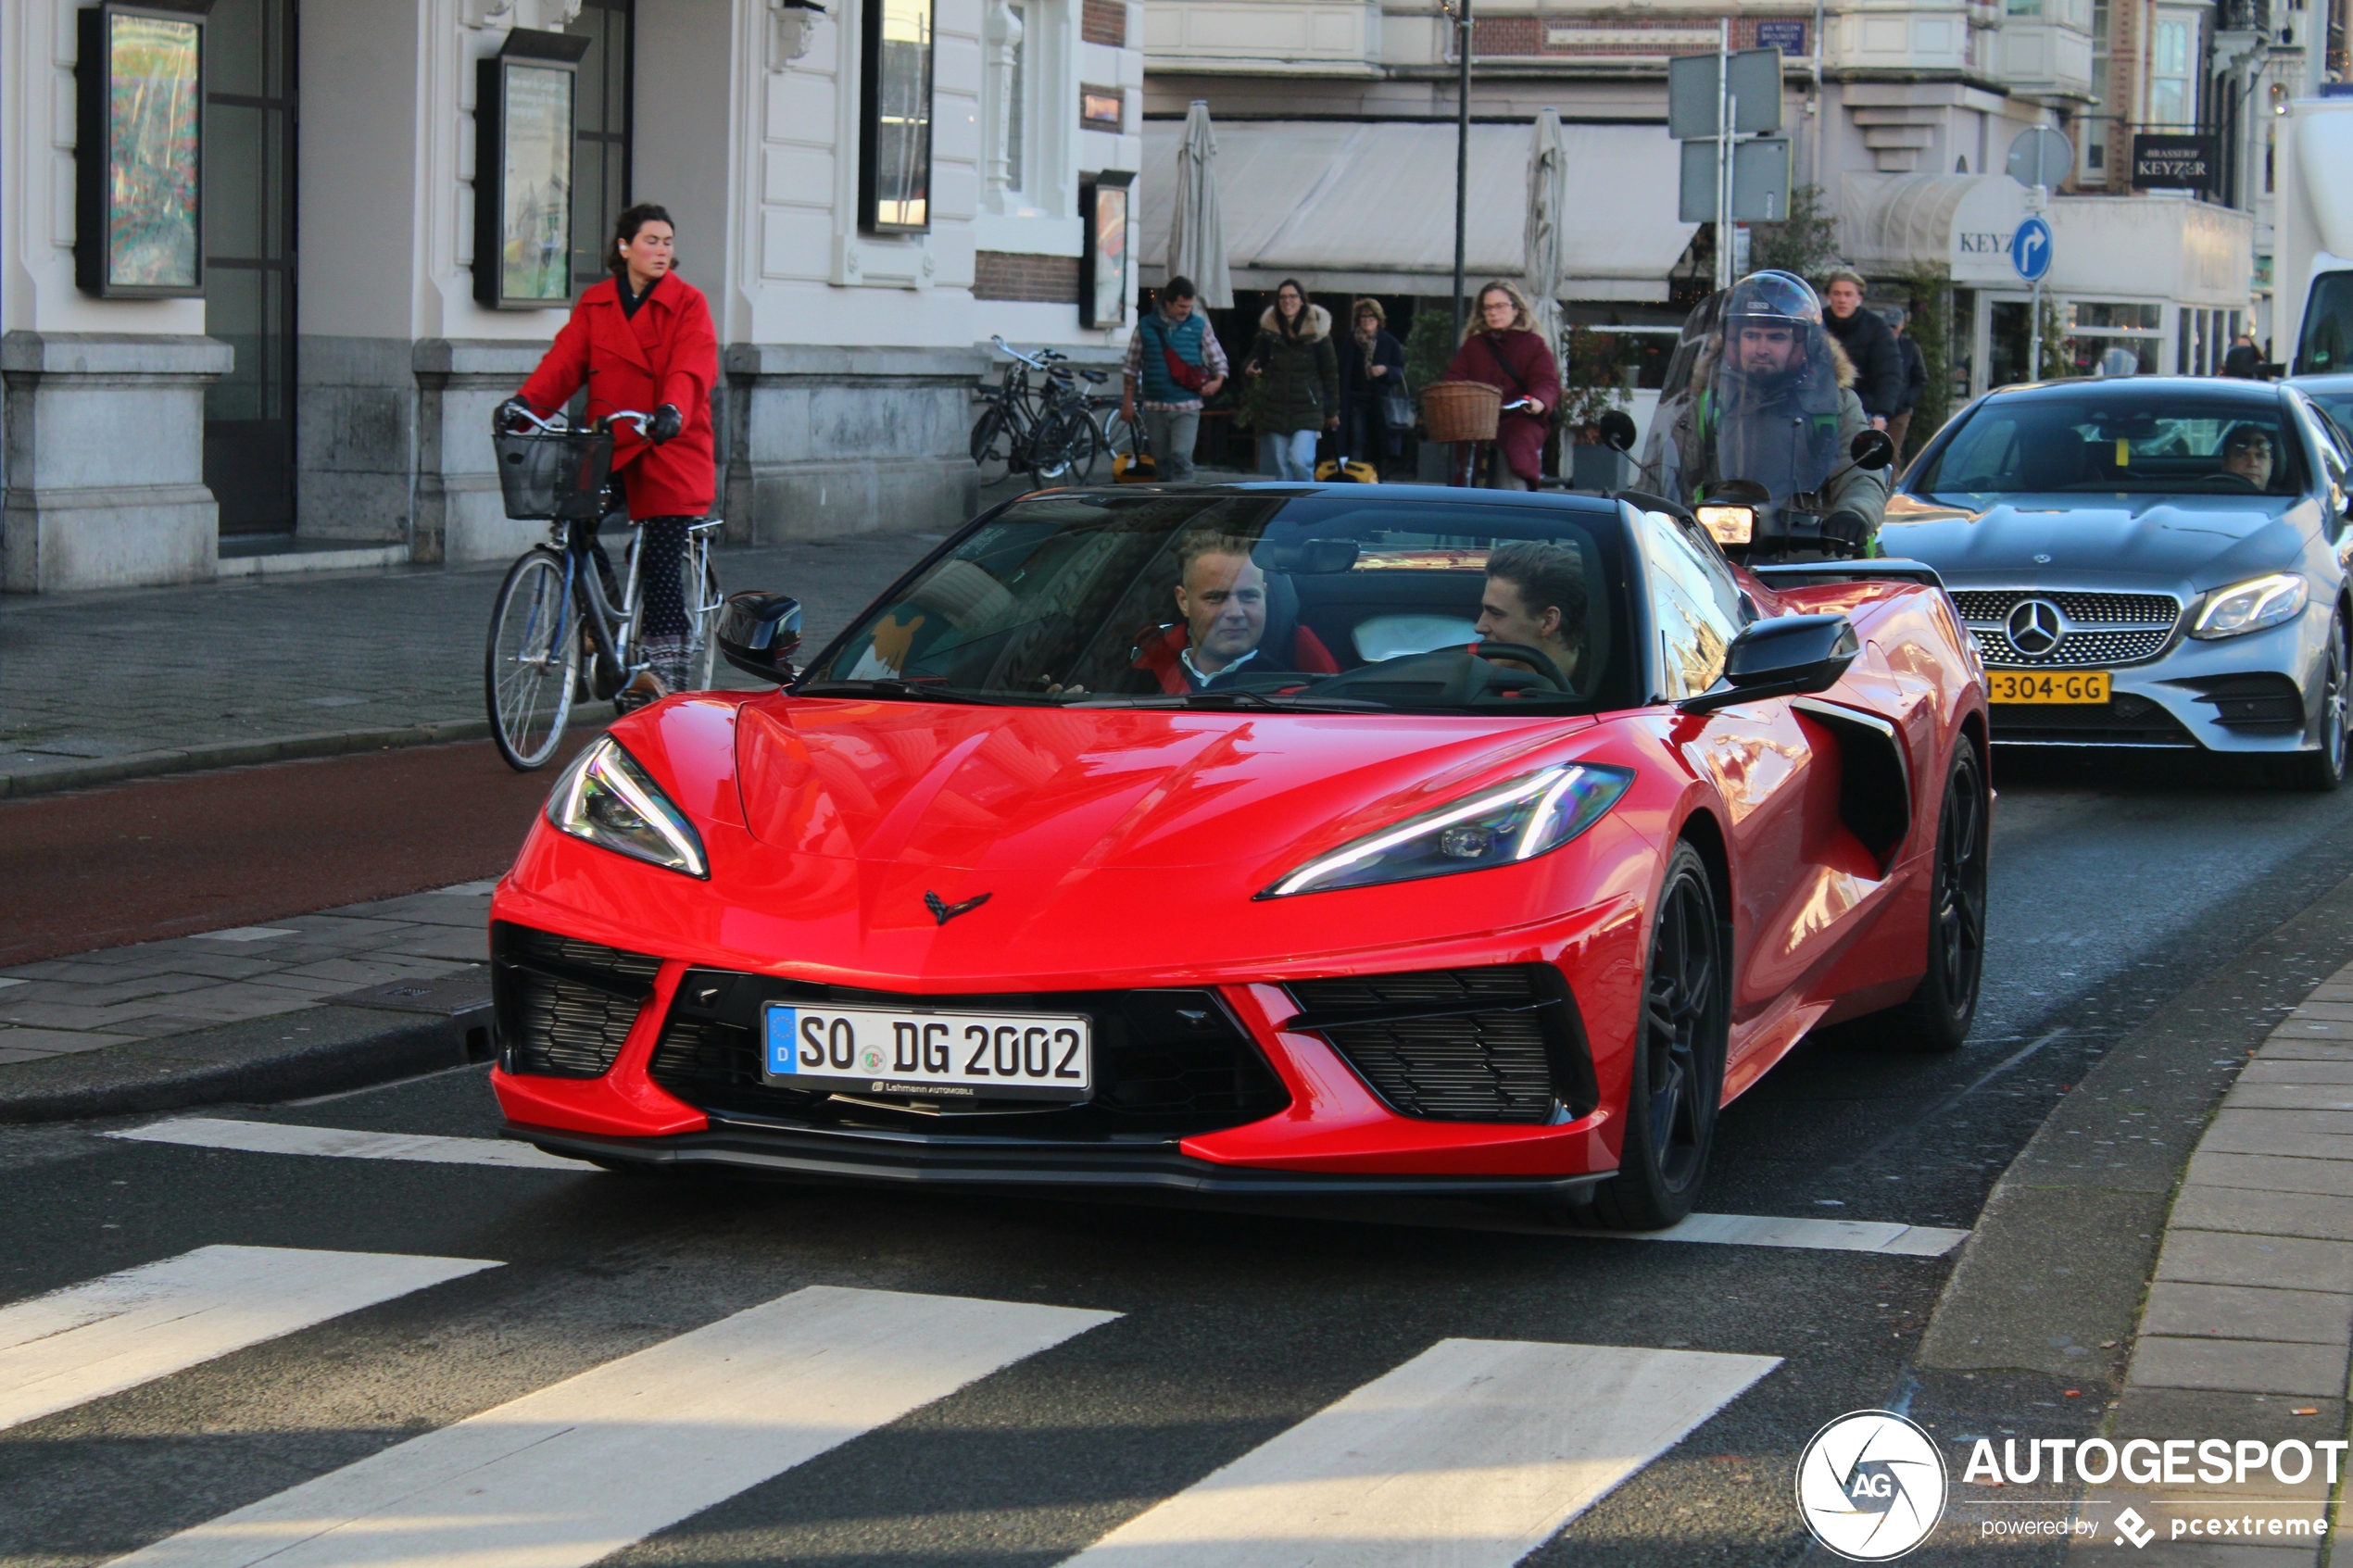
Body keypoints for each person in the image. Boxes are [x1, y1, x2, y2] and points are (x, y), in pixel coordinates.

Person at [506, 203, 717, 703]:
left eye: (668, 241)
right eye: (651, 241)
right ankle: (598, 631)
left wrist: (671, 408)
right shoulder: (597, 304)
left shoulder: (688, 304)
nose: (662, 250)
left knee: (663, 558)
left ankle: (667, 676)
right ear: (624, 247)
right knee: (574, 524)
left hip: (671, 442)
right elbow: (564, 362)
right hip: (611, 439)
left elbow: (692, 365)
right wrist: (524, 404)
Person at [1655, 270, 1889, 548]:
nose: (1761, 348)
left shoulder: (1834, 405)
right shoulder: (1710, 405)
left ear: (1801, 345)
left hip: (1810, 556)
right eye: (1752, 336)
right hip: (1720, 554)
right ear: (1733, 343)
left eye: (1776, 338)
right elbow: (1665, 470)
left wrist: (1853, 513)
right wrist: (1638, 505)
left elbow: (1860, 475)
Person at [1129, 530, 1341, 693]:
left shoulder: (1297, 695)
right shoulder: (1135, 678)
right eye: (1216, 598)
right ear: (1184, 602)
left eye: (1248, 596)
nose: (1235, 613)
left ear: (1264, 596)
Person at [1443, 281, 1561, 490]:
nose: (1493, 313)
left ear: (1515, 309)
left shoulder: (1533, 344)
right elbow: (1454, 380)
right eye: (1488, 308)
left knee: (1518, 447)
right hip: (1479, 421)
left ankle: (1518, 502)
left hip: (1519, 417)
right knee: (1467, 463)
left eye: (1500, 306)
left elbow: (1546, 381)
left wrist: (1539, 401)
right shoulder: (1474, 346)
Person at [1121, 277, 1228, 484]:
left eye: (1189, 306)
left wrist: (1218, 381)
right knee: (1162, 462)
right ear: (1168, 303)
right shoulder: (1145, 327)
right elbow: (1131, 366)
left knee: (1181, 457)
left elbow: (1219, 359)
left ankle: (1184, 503)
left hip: (1187, 404)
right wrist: (1128, 402)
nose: (1186, 311)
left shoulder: (1200, 326)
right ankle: (1166, 503)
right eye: (1181, 306)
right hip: (1155, 405)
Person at [1241, 280, 1340, 481]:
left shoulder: (1318, 334)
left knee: (1299, 460)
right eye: (1283, 297)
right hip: (1276, 407)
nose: (1287, 301)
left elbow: (1330, 374)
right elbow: (1251, 359)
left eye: (1292, 296)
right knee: (1281, 470)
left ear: (1302, 300)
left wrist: (1332, 411)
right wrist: (1249, 369)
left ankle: (1308, 505)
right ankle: (1287, 510)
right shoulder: (1269, 333)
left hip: (1308, 409)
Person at [1475, 540, 1585, 688]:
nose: (1479, 627)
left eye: (1496, 613)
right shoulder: (1473, 685)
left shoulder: (1616, 697)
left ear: (1548, 621)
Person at [1819, 269, 1901, 432]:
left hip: (1864, 411)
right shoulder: (1816, 324)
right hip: (1820, 408)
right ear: (1828, 296)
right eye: (1837, 294)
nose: (1842, 300)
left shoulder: (1877, 328)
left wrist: (1882, 414)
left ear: (1859, 297)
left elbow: (1890, 373)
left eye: (1848, 294)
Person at [1335, 297, 1407, 474]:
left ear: (1379, 319)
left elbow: (1400, 371)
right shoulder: (1351, 342)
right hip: (1356, 400)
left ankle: (1377, 481)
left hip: (1381, 402)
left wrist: (1385, 370)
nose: (1367, 320)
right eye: (1363, 317)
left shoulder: (1389, 342)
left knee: (1379, 444)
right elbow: (1341, 372)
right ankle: (1355, 480)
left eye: (1371, 316)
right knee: (1357, 440)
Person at [1887, 310, 1928, 464]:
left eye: (1894, 325)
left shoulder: (1910, 348)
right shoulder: (1875, 345)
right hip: (1877, 408)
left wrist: (1907, 400)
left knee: (1892, 454)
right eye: (1888, 325)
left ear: (1902, 325)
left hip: (1900, 411)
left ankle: (1892, 487)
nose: (1891, 329)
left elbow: (1921, 379)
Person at [2219, 423, 2276, 488]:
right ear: (2225, 464)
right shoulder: (2211, 497)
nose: (2253, 463)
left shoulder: (2285, 497)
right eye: (2242, 455)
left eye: (2260, 456)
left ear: (2271, 465)